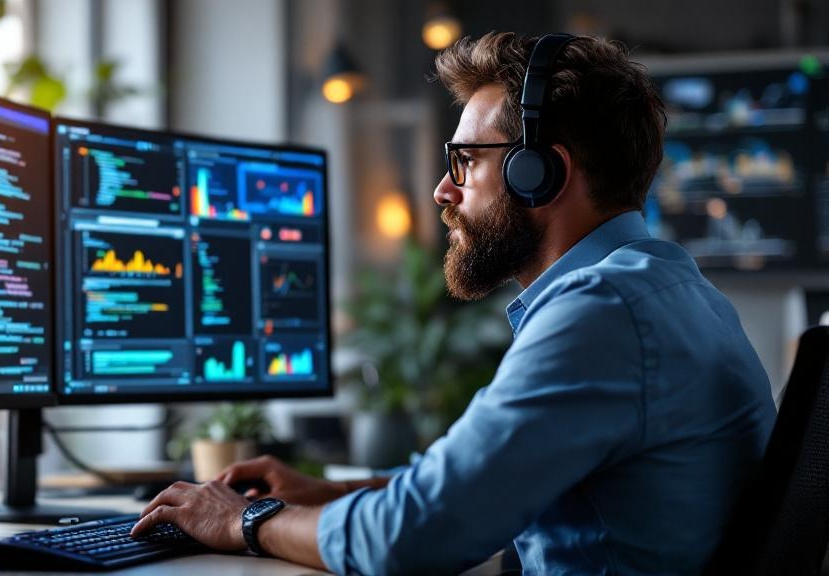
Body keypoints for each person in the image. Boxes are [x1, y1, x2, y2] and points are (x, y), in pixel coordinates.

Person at [131, 32, 776, 575]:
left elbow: (413, 535)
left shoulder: (602, 309)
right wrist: (327, 492)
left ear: (540, 173)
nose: (444, 189)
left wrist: (245, 519)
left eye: (465, 161)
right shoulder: (676, 292)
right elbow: (469, 486)